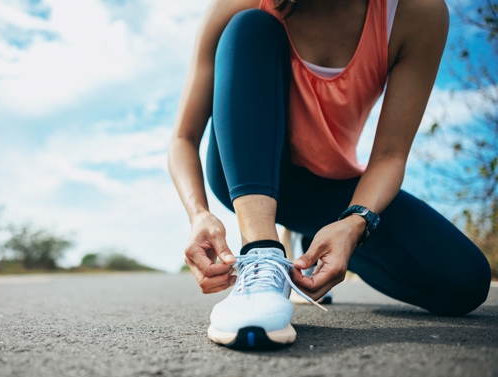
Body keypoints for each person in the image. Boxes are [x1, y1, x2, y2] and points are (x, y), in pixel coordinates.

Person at [167, 0, 492, 349]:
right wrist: (198, 214)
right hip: (245, 171)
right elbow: (183, 138)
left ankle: (313, 242)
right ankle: (262, 257)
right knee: (251, 25)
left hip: (328, 188)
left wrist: (353, 225)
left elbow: (390, 155)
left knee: (463, 281)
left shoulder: (416, 13)